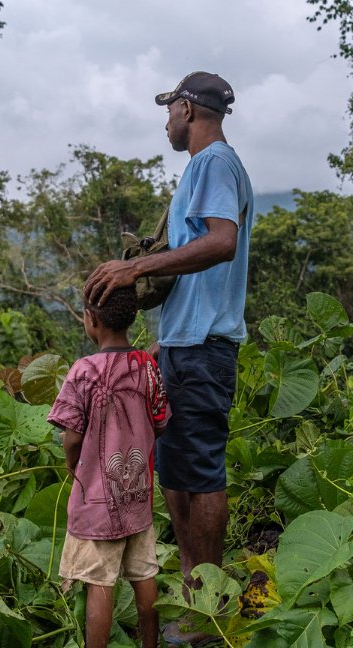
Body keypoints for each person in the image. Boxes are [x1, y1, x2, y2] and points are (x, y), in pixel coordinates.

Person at [85, 71, 254, 646]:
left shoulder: (214, 163)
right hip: (187, 345)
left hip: (205, 349)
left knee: (199, 474)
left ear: (187, 109)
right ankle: (192, 593)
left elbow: (221, 241)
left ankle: (206, 609)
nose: (165, 122)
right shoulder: (205, 167)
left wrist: (135, 267)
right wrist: (168, 340)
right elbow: (200, 270)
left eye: (169, 111)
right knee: (179, 473)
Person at [47, 284, 170, 648]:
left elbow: (72, 437)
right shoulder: (146, 365)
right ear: (131, 317)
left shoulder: (83, 370)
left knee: (99, 584)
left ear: (91, 319)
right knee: (144, 574)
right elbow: (161, 421)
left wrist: (72, 464)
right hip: (137, 495)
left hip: (97, 502)